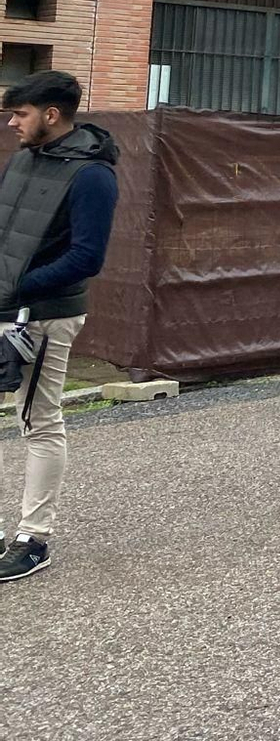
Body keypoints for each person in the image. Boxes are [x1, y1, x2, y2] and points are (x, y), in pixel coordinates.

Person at [0, 71, 118, 583]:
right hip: (6, 305)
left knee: (38, 420)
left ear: (51, 115)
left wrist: (19, 288)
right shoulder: (24, 159)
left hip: (46, 317)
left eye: (20, 114)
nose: (11, 122)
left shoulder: (93, 176)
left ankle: (33, 537)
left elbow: (86, 258)